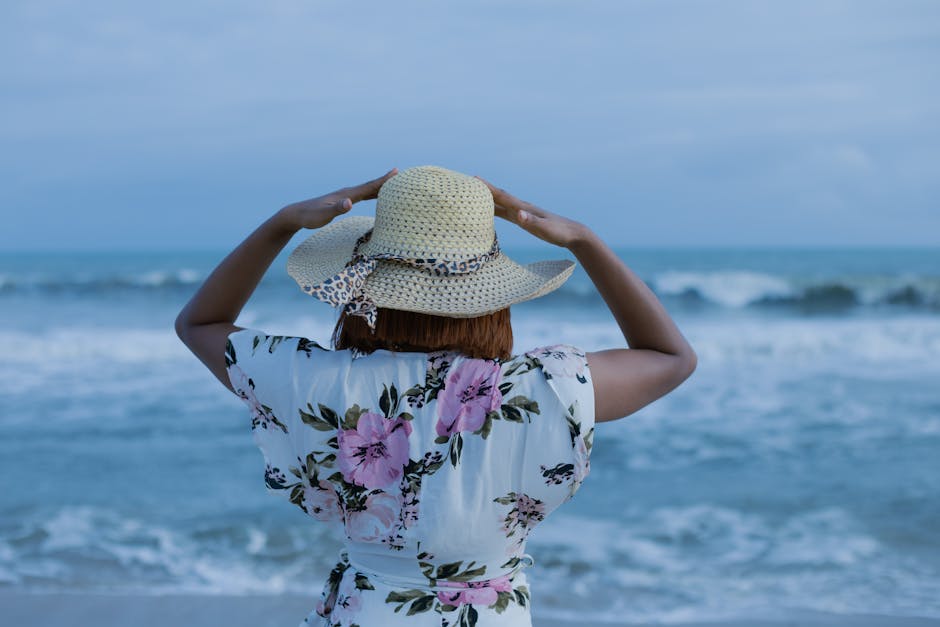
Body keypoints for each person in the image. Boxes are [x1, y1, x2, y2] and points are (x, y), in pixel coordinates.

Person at [176, 165, 696, 627]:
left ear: (365, 285)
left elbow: (200, 322)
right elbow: (670, 357)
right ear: (493, 297)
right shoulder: (541, 387)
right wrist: (583, 240)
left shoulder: (310, 379)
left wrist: (281, 224)